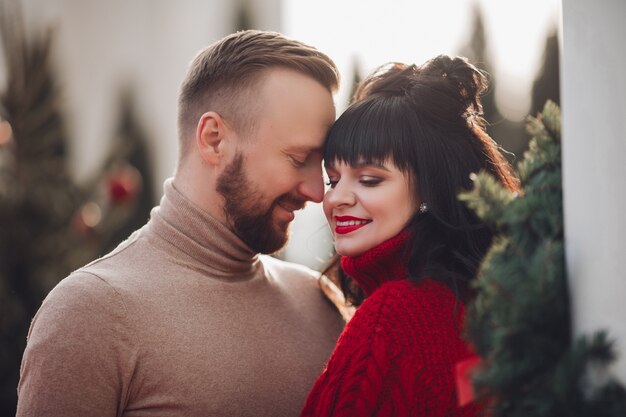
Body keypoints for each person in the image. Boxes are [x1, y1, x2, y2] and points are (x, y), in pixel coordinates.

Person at [16, 30, 345, 416]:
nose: (316, 191)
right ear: (213, 139)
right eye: (297, 158)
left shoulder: (320, 303)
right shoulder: (90, 314)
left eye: (320, 165)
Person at [301, 55, 521, 417]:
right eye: (333, 180)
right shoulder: (486, 306)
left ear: (430, 190)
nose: (336, 198)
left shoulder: (392, 319)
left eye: (370, 179)